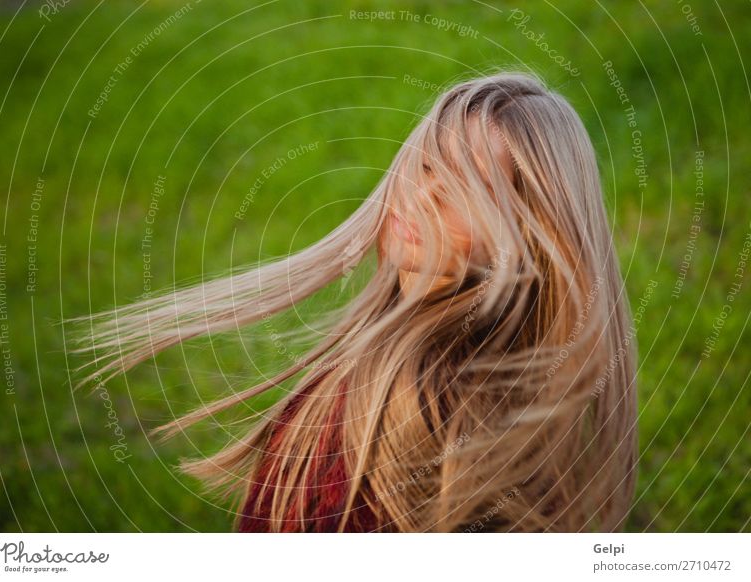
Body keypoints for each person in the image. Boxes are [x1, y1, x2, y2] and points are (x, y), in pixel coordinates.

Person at [72, 72, 638, 532]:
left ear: (534, 232)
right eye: (425, 165)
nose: (422, 195)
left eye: (467, 188)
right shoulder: (505, 388)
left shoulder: (416, 399)